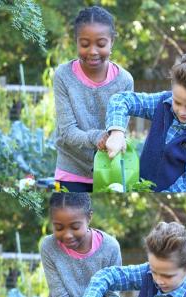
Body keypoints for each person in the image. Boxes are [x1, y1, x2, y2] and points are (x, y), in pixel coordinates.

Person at [104, 54, 186, 192]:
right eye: (177, 102)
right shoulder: (164, 103)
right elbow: (120, 100)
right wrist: (117, 132)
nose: (182, 111)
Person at [52, 6, 134, 192]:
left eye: (101, 43)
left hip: (110, 169)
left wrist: (114, 136)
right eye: (85, 44)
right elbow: (67, 131)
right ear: (76, 42)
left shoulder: (125, 81)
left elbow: (119, 129)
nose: (93, 51)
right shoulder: (63, 76)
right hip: (70, 171)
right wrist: (97, 137)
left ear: (112, 41)